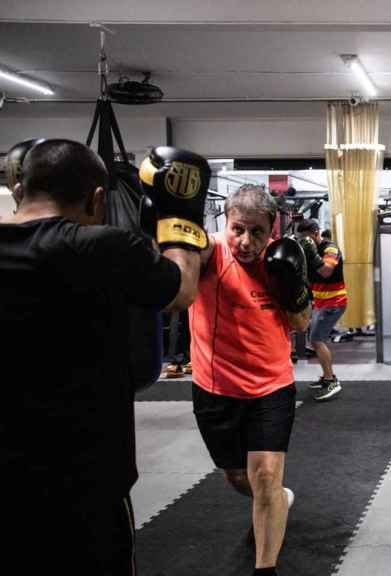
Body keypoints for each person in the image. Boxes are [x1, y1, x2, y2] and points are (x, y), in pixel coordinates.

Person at [1, 140, 205, 574]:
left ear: (19, 189)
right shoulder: (102, 248)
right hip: (87, 481)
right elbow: (181, 290)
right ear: (98, 199)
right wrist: (181, 216)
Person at [189, 183, 311, 576]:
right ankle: (277, 498)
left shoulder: (281, 258)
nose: (246, 241)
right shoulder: (210, 251)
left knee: (265, 476)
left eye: (257, 231)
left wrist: (292, 289)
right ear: (226, 223)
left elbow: (300, 323)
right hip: (215, 387)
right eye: (238, 229)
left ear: (271, 229)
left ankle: (265, 568)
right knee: (238, 477)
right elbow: (181, 256)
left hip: (271, 386)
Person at [296, 218, 347, 401]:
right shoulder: (308, 249)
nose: (305, 241)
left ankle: (331, 380)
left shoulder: (330, 248)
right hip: (321, 302)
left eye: (307, 238)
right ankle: (327, 377)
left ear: (316, 233)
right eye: (301, 238)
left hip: (334, 302)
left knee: (317, 340)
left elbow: (326, 271)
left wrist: (312, 255)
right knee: (315, 340)